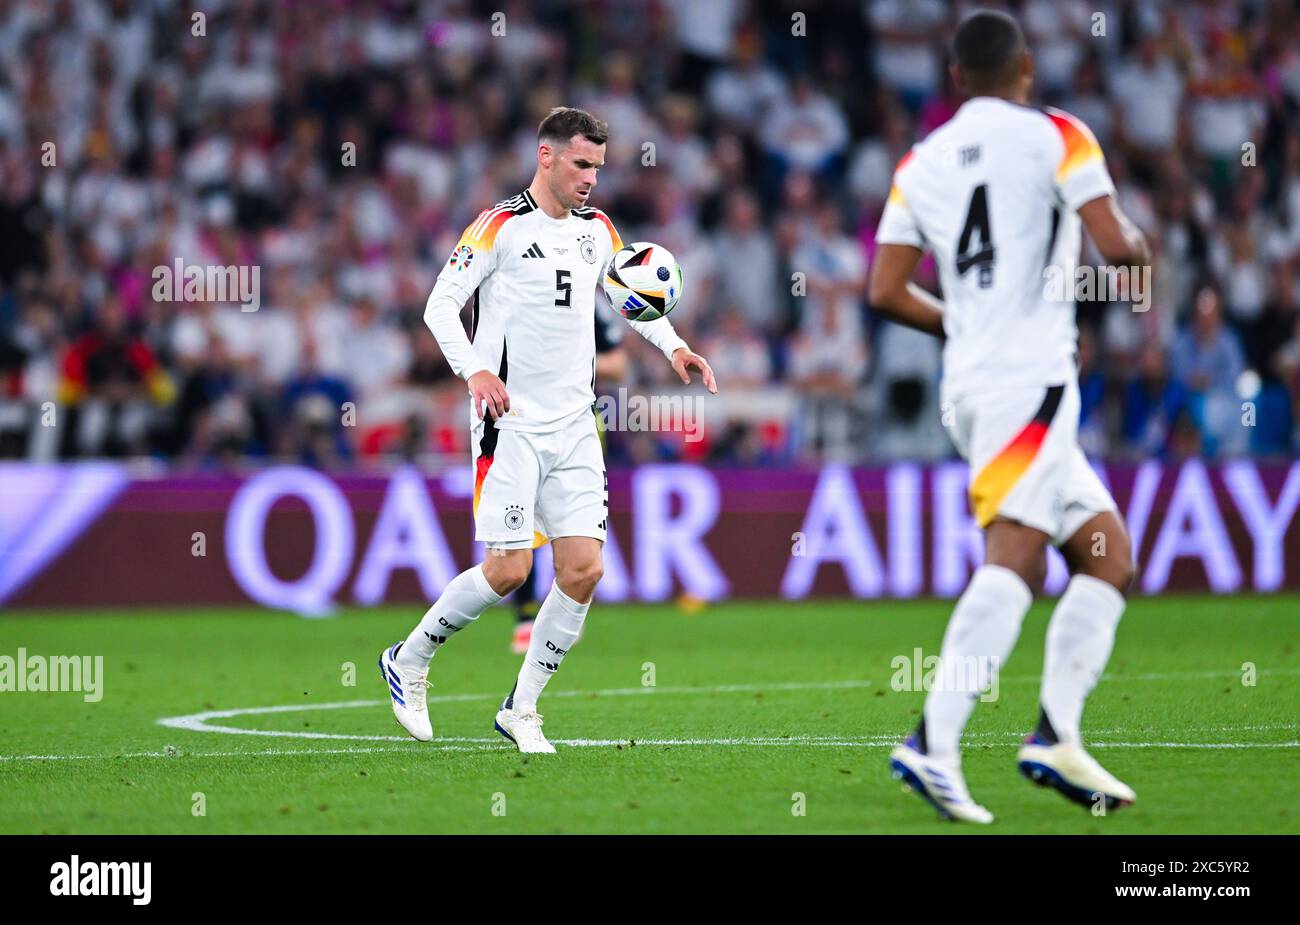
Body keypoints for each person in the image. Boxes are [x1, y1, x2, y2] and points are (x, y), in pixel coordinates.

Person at [869, 10, 1148, 823]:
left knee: (1107, 555)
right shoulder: (1059, 133)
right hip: (1028, 382)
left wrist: (959, 319)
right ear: (1026, 65)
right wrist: (1138, 247)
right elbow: (1116, 244)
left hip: (971, 386)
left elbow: (885, 289)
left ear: (955, 78)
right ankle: (933, 737)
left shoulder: (918, 163)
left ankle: (1056, 733)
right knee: (1017, 558)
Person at [379, 107, 716, 753]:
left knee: (583, 568)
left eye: (598, 166)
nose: (591, 178)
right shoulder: (498, 226)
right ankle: (410, 656)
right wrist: (475, 370)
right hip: (510, 424)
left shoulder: (598, 231)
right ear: (546, 156)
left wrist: (675, 347)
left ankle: (521, 708)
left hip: (576, 425)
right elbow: (439, 305)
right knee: (507, 571)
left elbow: (630, 299)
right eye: (582, 164)